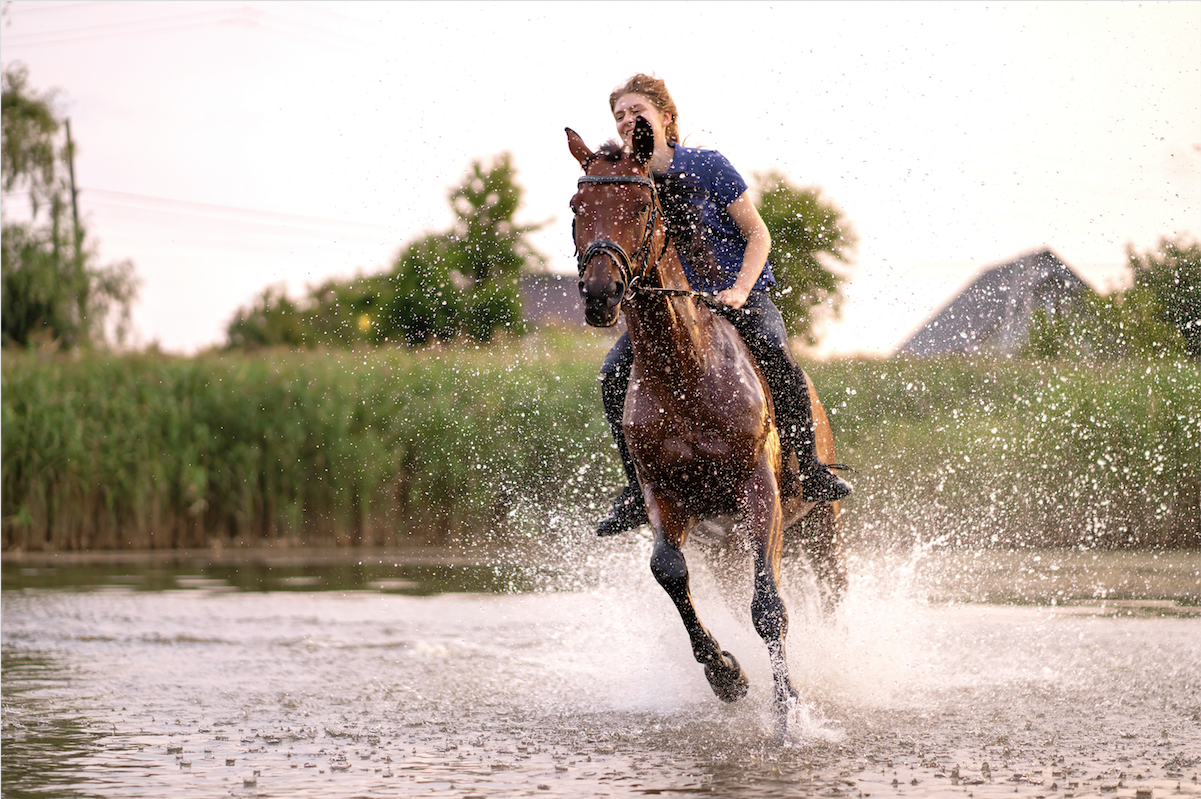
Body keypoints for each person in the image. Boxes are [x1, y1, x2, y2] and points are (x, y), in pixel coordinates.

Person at [595, 73, 852, 537]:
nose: (628, 121)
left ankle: (810, 466)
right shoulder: (629, 182)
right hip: (675, 315)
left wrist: (738, 288)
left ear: (666, 119)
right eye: (620, 116)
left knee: (775, 352)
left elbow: (759, 234)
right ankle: (637, 489)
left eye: (638, 111)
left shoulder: (708, 166)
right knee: (612, 374)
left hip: (738, 297)